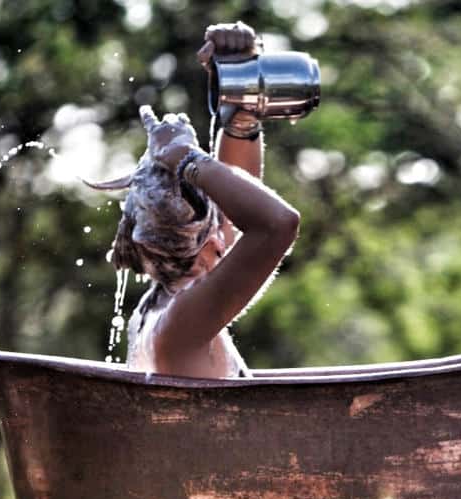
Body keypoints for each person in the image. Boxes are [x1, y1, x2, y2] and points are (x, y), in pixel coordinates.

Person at [85, 22, 300, 379]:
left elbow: (241, 194)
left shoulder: (165, 308)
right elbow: (277, 224)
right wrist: (186, 158)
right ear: (214, 243)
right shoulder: (182, 320)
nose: (228, 227)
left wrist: (240, 104)